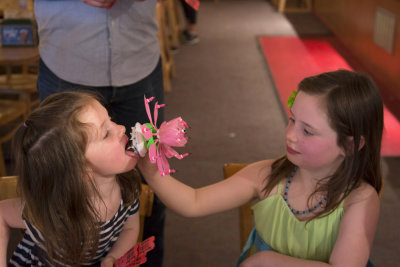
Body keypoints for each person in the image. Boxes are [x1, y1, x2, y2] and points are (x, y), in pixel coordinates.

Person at [138, 70, 383, 266]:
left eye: (307, 131)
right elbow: (194, 202)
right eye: (292, 120)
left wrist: (268, 260)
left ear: (350, 146)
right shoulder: (267, 175)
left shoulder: (360, 200)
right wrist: (150, 172)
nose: (290, 136)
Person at [34, 1, 166, 265]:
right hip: (67, 60)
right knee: (62, 186)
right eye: (109, 131)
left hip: (138, 59)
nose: (119, 130)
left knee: (150, 179)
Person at [0, 92, 141, 266]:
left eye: (110, 119)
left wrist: (113, 257)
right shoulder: (55, 214)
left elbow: (130, 228)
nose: (120, 128)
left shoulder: (128, 185)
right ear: (81, 171)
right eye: (105, 133)